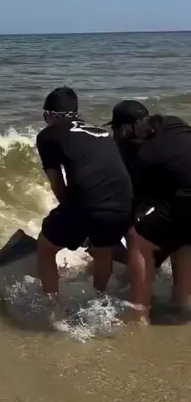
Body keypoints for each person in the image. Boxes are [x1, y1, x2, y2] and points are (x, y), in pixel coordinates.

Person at [35, 87, 133, 315]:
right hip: (124, 206)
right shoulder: (101, 131)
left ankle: (53, 307)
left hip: (90, 205)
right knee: (103, 249)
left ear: (49, 114)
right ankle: (100, 302)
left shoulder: (48, 135)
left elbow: (57, 183)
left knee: (45, 247)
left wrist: (71, 215)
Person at [110, 110, 191, 324]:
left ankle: (139, 314)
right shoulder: (173, 121)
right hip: (184, 197)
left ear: (127, 130)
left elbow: (135, 206)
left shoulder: (145, 157)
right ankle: (181, 302)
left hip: (185, 200)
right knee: (182, 238)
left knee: (137, 240)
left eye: (116, 129)